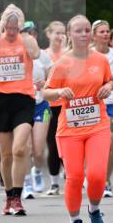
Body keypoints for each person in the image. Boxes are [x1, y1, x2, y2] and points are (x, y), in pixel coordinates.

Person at [43, 15, 113, 223]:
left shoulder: (100, 60)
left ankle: (94, 209)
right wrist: (59, 92)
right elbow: (46, 92)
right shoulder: (62, 64)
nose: (83, 35)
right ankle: (75, 220)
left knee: (96, 174)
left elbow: (109, 80)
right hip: (70, 128)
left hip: (97, 125)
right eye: (78, 31)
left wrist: (108, 87)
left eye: (86, 30)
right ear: (69, 35)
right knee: (74, 176)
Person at [0, 4, 40, 215]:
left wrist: (23, 29)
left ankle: (18, 197)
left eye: (17, 24)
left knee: (19, 149)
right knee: (5, 154)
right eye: (10, 23)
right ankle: (9, 198)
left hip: (23, 99)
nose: (13, 28)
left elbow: (34, 54)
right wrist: (0, 25)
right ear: (4, 23)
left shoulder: (27, 40)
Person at [91, 20, 113, 196]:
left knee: (110, 141)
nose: (105, 34)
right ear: (94, 35)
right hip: (94, 104)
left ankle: (105, 180)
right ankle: (92, 176)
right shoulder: (88, 54)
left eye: (107, 31)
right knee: (92, 143)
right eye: (102, 32)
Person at [19, 21, 49, 199]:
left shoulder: (43, 56)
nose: (29, 36)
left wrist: (46, 83)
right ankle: (26, 183)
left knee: (38, 150)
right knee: (25, 147)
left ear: (36, 36)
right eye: (25, 33)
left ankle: (36, 170)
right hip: (22, 105)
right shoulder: (16, 55)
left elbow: (54, 77)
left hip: (40, 106)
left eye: (31, 33)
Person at [41, 20, 66, 195]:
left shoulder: (69, 54)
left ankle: (71, 177)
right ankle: (54, 182)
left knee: (68, 142)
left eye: (63, 33)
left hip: (66, 104)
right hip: (49, 105)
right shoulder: (42, 54)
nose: (60, 36)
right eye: (56, 33)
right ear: (48, 34)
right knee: (52, 143)